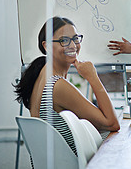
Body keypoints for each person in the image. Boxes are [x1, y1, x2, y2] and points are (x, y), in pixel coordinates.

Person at [14, 17, 120, 155]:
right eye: (64, 41)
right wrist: (93, 77)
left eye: (75, 38)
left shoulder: (42, 73)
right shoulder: (57, 86)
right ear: (46, 46)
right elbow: (112, 124)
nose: (73, 45)